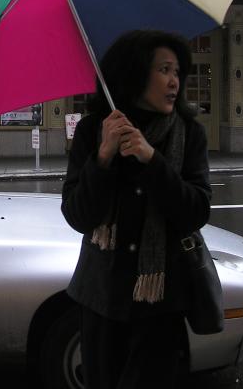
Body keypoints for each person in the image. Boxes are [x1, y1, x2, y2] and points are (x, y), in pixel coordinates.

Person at [61, 30, 212, 389]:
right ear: (134, 74)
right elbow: (78, 216)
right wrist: (103, 157)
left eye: (177, 71)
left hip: (162, 306)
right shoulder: (92, 132)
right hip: (102, 300)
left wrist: (151, 159)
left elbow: (195, 212)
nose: (174, 81)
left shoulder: (188, 133)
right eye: (164, 70)